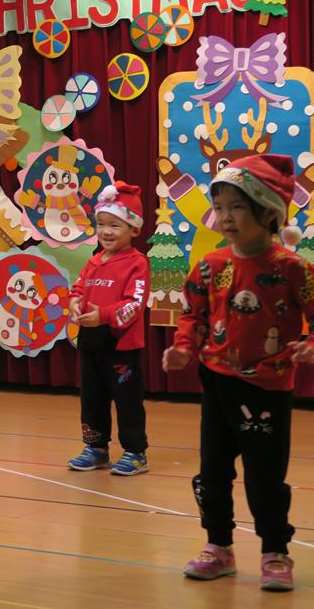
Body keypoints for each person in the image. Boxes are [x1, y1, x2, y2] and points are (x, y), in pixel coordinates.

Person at [164, 154, 314, 592]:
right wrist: (184, 348)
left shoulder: (293, 268)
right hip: (217, 381)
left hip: (268, 386)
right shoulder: (210, 265)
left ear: (267, 212)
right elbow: (193, 314)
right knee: (212, 471)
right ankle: (219, 546)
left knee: (265, 476)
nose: (225, 217)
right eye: (219, 207)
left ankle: (275, 551)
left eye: (237, 207)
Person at [67, 182, 150, 475]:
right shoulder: (94, 261)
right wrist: (74, 301)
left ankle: (135, 452)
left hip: (120, 345)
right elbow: (78, 287)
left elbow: (135, 303)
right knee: (92, 399)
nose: (106, 231)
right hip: (91, 341)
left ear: (133, 229)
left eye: (115, 225)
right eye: (101, 224)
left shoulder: (137, 263)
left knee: (127, 401)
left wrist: (103, 315)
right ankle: (96, 448)